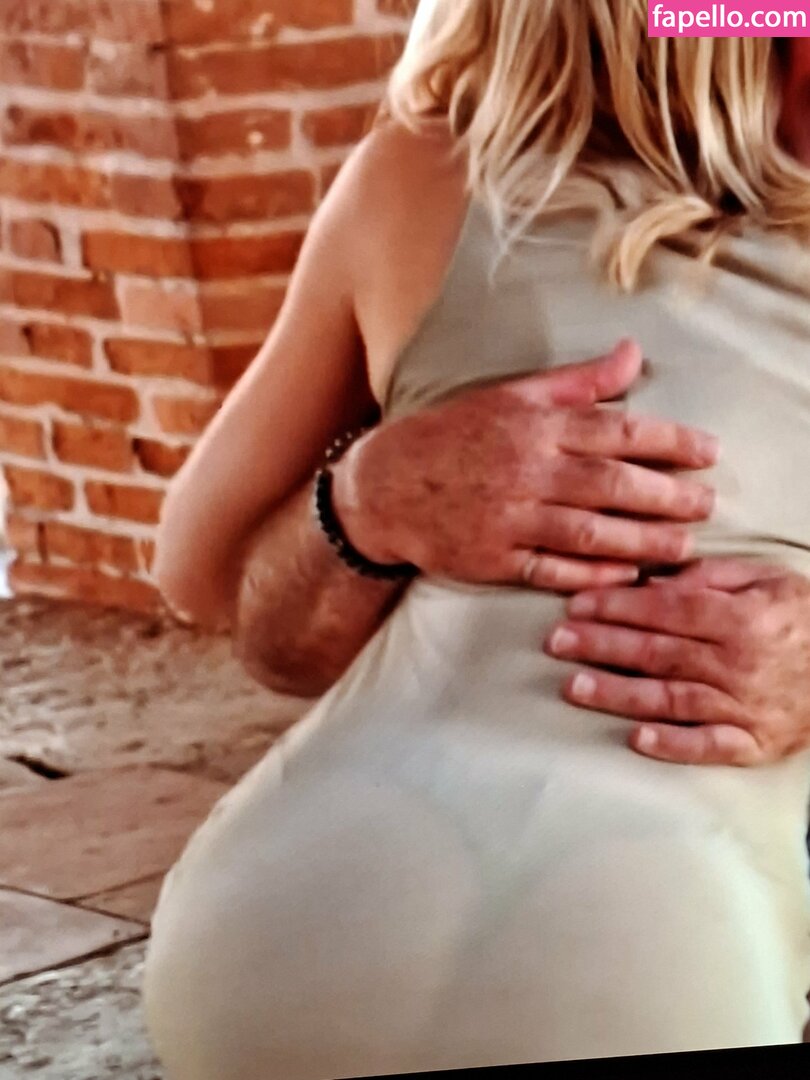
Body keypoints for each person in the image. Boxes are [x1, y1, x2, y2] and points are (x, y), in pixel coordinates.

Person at [144, 5, 810, 1076]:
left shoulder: (417, 174)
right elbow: (218, 587)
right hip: (640, 943)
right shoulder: (423, 174)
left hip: (264, 934)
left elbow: (202, 582)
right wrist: (364, 501)